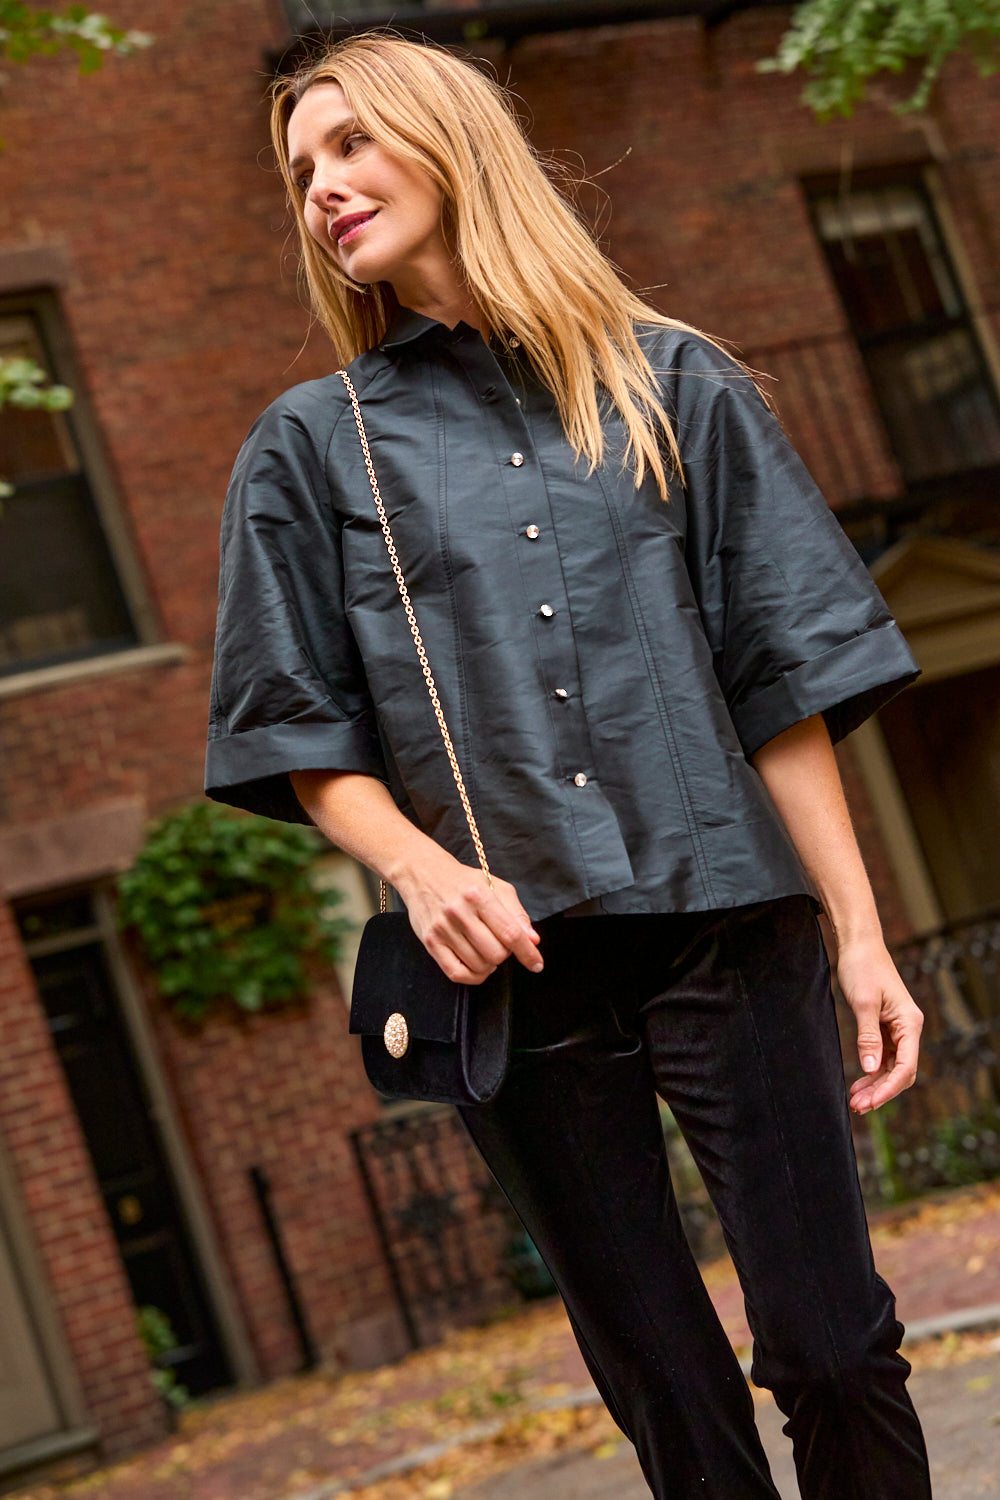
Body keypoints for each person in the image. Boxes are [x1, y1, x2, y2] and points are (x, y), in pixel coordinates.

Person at [206, 33, 932, 1499]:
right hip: (516, 978)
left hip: (728, 930)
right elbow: (298, 734)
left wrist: (862, 937)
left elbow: (780, 684)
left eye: (349, 146)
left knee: (834, 1347)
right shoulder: (308, 451)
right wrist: (419, 872)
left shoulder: (678, 384)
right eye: (300, 171)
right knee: (668, 1389)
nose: (321, 191)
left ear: (448, 139)